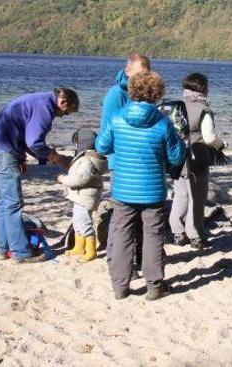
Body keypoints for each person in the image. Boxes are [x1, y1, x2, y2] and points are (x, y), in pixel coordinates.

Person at [96, 71, 185, 300]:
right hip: (153, 190)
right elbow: (176, 157)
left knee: (122, 234)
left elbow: (102, 146)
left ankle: (120, 287)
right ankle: (154, 286)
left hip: (123, 190)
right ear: (157, 94)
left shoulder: (117, 118)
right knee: (153, 236)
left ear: (132, 91)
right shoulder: (163, 122)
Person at [0, 88, 79, 263]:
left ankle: (2, 249)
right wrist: (50, 155)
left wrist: (40, 158)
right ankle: (21, 253)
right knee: (13, 204)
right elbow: (34, 141)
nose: (62, 117)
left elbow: (25, 137)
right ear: (63, 102)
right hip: (3, 152)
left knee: (4, 203)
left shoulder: (38, 100)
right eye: (66, 113)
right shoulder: (45, 108)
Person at [100, 53, 151, 258]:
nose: (142, 79)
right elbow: (106, 132)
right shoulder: (116, 94)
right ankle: (115, 257)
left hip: (143, 162)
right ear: (127, 70)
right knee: (123, 216)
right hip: (121, 163)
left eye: (146, 74)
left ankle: (137, 257)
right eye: (139, 74)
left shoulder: (145, 92)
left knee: (139, 215)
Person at [169, 73, 226, 249]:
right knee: (197, 197)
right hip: (197, 158)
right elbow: (209, 138)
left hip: (176, 158)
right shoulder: (204, 109)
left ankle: (177, 232)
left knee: (180, 195)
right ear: (204, 88)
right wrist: (222, 144)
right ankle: (195, 235)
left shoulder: (175, 106)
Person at [56, 129, 108, 263]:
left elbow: (80, 179)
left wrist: (64, 179)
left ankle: (91, 250)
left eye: (76, 142)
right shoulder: (84, 157)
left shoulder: (87, 161)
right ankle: (79, 246)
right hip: (81, 196)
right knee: (77, 221)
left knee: (84, 223)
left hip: (86, 197)